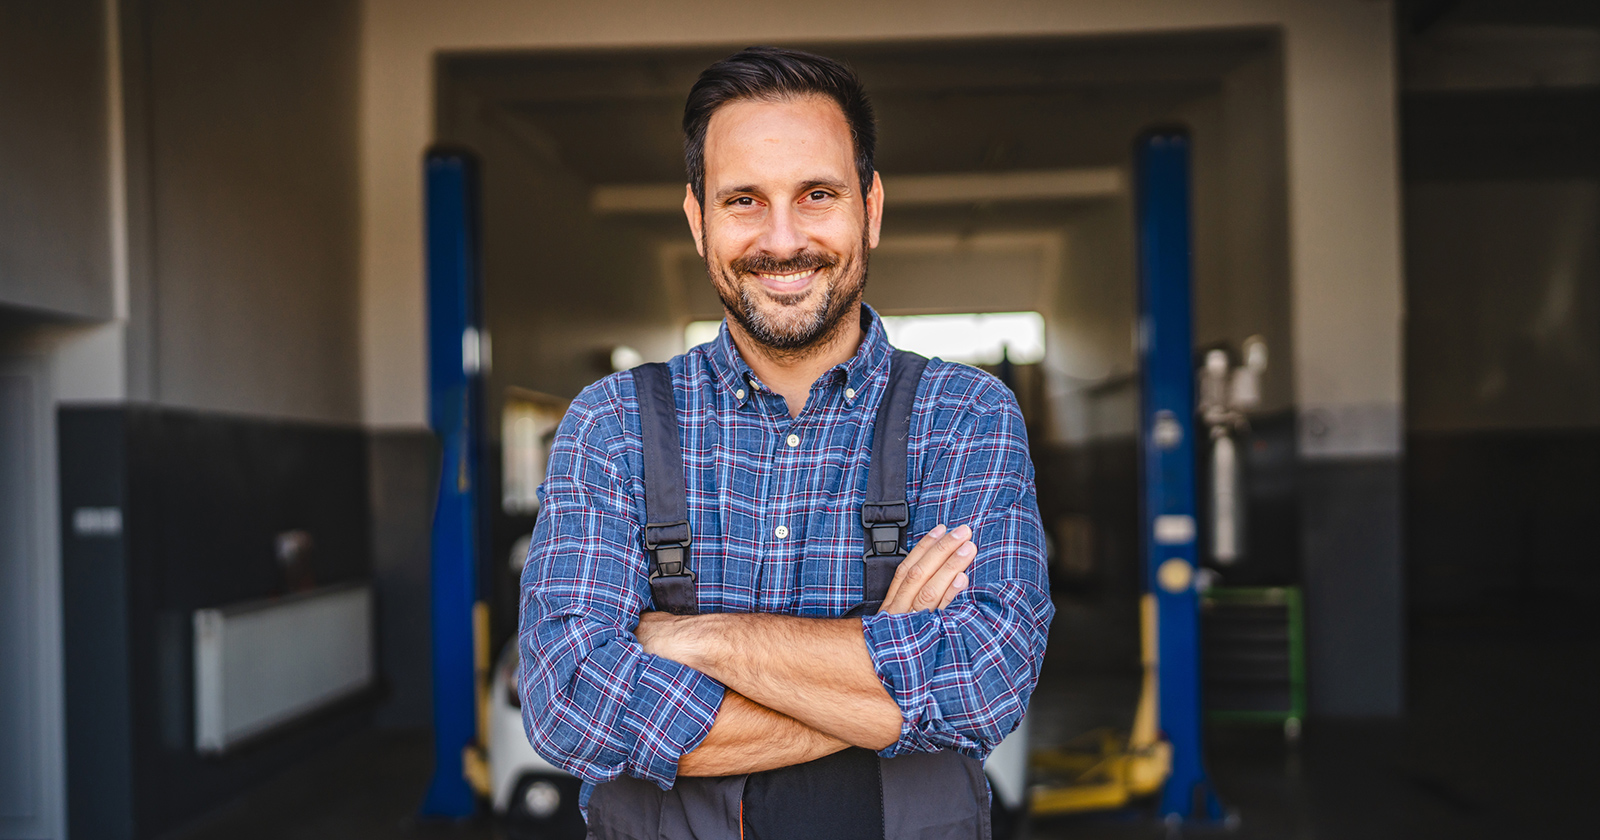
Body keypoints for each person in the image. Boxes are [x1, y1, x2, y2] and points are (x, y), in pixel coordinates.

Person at [518, 45, 1053, 839]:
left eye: (817, 194)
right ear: (698, 220)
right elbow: (571, 703)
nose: (782, 238)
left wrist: (695, 638)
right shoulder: (612, 424)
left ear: (869, 208)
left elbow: (985, 682)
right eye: (743, 200)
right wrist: (884, 671)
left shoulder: (965, 416)